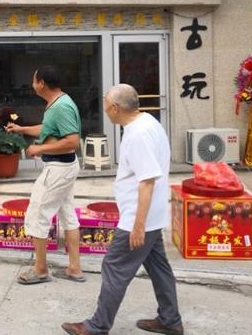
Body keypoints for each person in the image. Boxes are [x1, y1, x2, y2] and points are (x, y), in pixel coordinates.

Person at [61, 84, 183, 335]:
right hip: (153, 214)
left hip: (139, 218)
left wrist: (137, 225)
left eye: (106, 103)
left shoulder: (137, 134)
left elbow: (147, 181)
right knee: (159, 267)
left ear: (115, 108)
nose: (104, 108)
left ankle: (97, 326)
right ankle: (170, 319)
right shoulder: (147, 121)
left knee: (114, 267)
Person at [6, 65, 84, 285]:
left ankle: (40, 269)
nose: (32, 84)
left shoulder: (61, 107)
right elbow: (48, 129)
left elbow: (72, 141)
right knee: (68, 214)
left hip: (58, 169)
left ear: (41, 83)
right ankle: (74, 268)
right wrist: (21, 129)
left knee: (38, 214)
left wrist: (38, 149)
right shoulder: (58, 103)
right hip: (64, 167)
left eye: (33, 80)